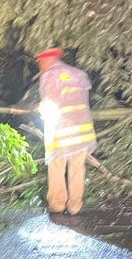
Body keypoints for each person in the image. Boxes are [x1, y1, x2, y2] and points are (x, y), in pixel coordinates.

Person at [35, 48, 96, 214]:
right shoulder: (78, 74)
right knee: (77, 167)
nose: (40, 67)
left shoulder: (49, 76)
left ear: (46, 61)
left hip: (62, 130)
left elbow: (51, 102)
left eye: (40, 63)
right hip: (83, 130)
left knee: (57, 166)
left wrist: (40, 108)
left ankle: (58, 204)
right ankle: (75, 206)